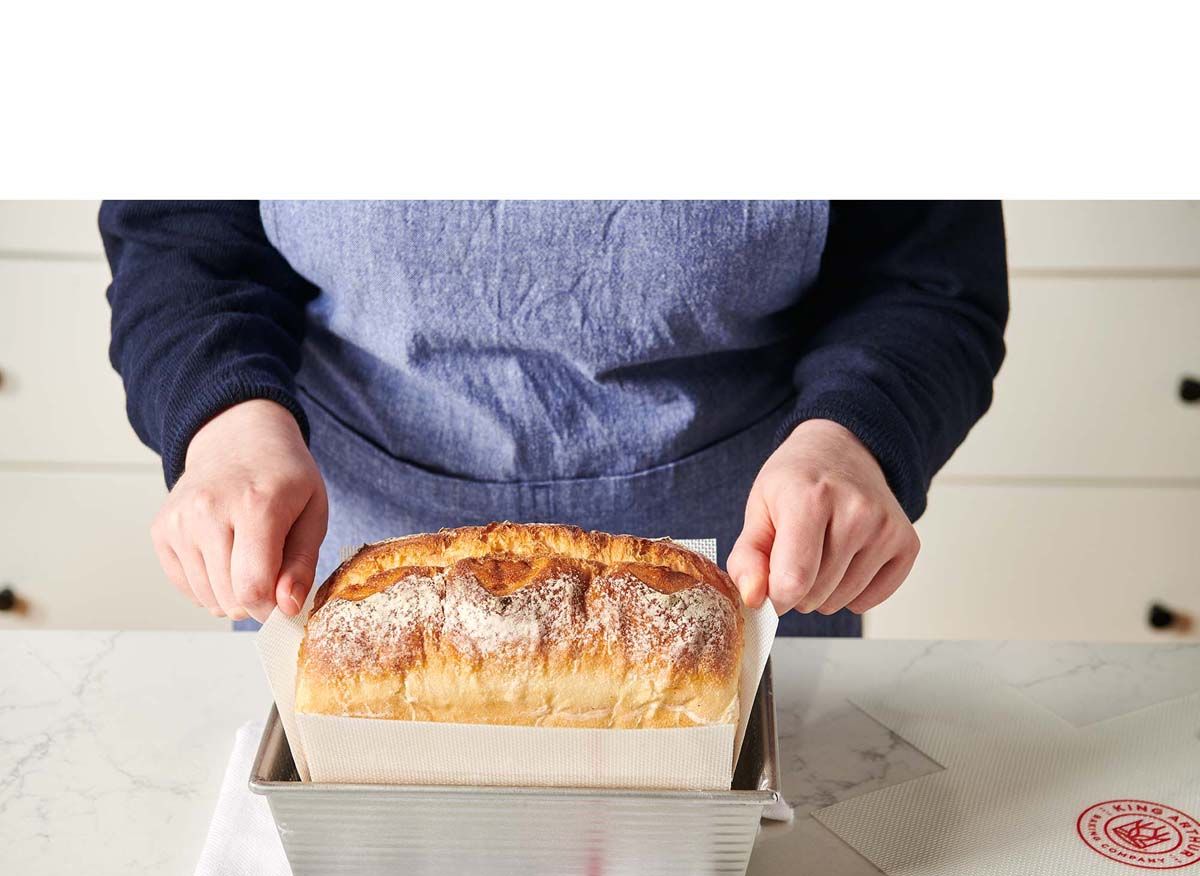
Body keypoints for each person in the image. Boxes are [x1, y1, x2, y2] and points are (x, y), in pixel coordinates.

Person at [100, 201, 1007, 633]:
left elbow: (923, 276)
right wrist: (228, 428)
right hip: (346, 581)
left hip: (749, 581)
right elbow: (185, 242)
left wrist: (852, 438)